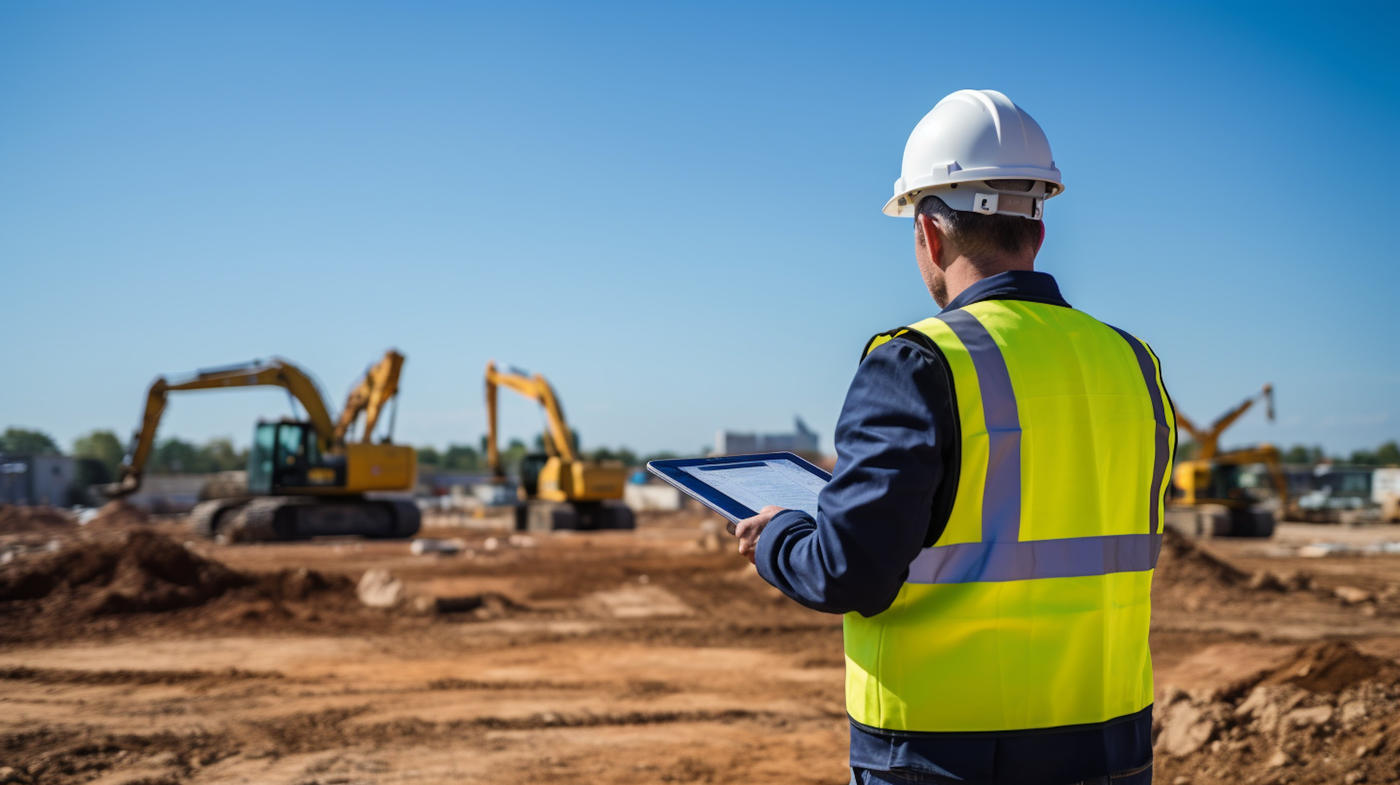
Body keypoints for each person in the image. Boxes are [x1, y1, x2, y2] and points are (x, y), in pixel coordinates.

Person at [735, 89, 1174, 785]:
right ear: (1037, 230)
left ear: (930, 234)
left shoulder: (916, 362)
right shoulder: (1133, 362)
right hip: (1112, 744)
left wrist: (780, 536)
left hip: (947, 752)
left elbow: (850, 568)